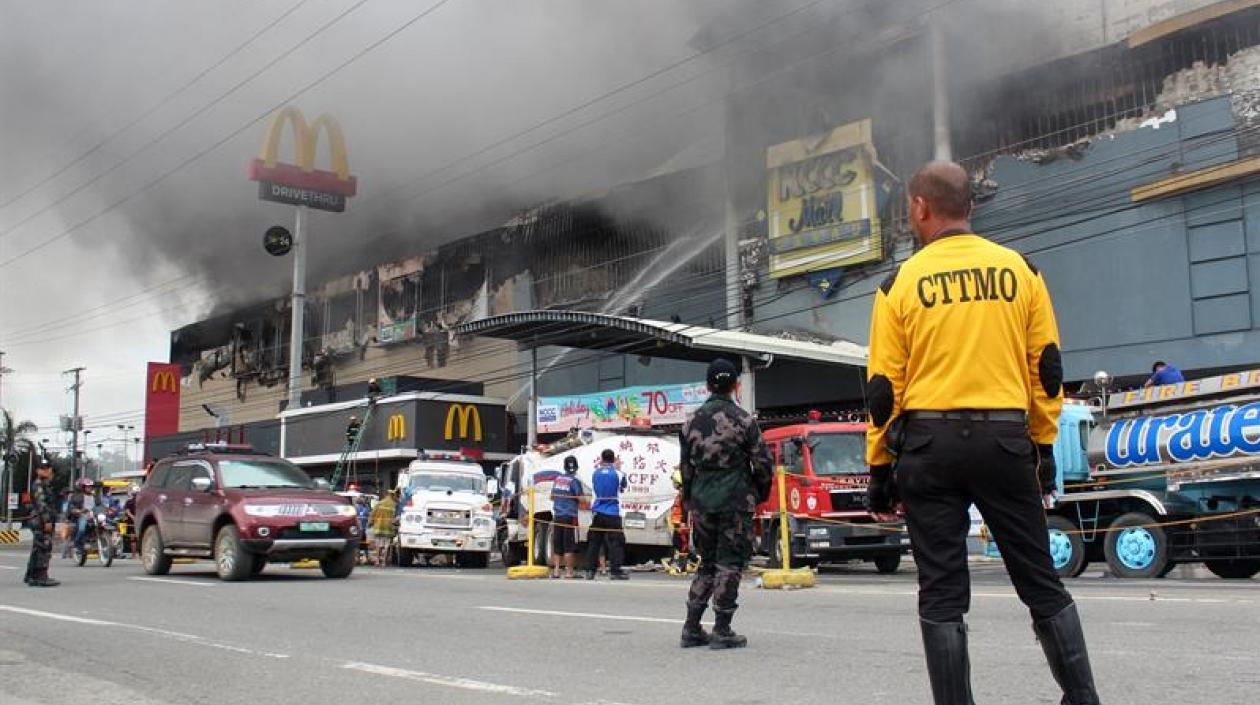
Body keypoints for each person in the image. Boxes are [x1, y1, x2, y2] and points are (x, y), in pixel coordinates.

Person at [864, 161, 1100, 704]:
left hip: (927, 447)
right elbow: (1047, 369)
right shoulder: (1021, 271)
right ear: (970, 206)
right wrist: (1041, 447)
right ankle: (1084, 698)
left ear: (921, 207)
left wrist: (880, 468)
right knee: (1039, 579)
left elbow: (882, 391)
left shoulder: (898, 284)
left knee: (942, 592)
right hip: (1004, 440)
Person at [677, 358, 773, 650]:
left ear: (707, 386)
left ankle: (692, 627)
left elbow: (685, 470)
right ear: (735, 385)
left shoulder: (689, 423)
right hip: (735, 500)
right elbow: (762, 464)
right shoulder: (744, 421)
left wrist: (691, 500)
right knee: (729, 564)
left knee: (706, 564)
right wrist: (758, 493)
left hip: (702, 502)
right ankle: (722, 628)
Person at [584, 449, 628, 581]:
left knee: (594, 542)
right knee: (616, 542)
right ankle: (615, 571)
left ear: (602, 459)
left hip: (598, 511)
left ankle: (590, 571)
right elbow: (622, 488)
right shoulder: (619, 473)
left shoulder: (595, 473)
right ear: (614, 459)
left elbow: (595, 487)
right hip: (612, 512)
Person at [24, 463, 60, 587]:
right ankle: (41, 577)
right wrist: (47, 520)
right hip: (41, 521)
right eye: (46, 470)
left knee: (37, 548)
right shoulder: (39, 485)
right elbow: (41, 504)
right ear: (39, 471)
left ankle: (31, 575)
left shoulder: (42, 484)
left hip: (38, 520)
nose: (50, 473)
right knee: (44, 547)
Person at [549, 456, 585, 579]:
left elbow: (552, 497)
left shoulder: (557, 479)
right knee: (568, 545)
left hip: (557, 516)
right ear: (576, 467)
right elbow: (581, 499)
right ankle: (569, 572)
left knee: (557, 544)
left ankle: (556, 571)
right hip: (569, 516)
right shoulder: (574, 481)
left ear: (564, 467)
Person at [369, 490, 398, 566]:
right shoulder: (394, 505)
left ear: (386, 495)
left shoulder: (379, 503)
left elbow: (372, 514)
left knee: (378, 545)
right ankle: (384, 562)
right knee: (386, 546)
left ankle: (378, 561)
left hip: (378, 527)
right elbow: (396, 517)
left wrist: (370, 523)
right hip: (388, 528)